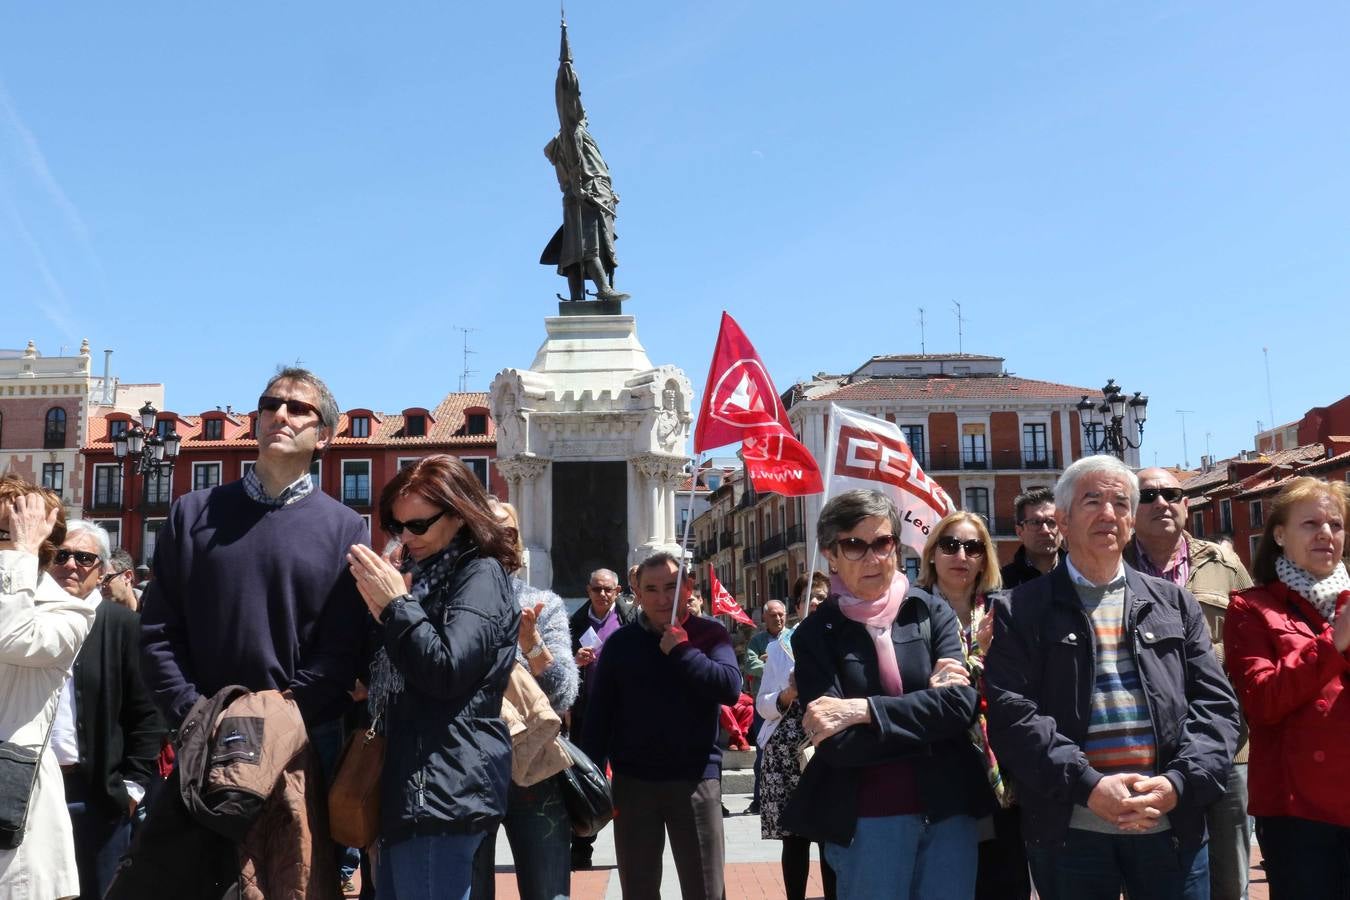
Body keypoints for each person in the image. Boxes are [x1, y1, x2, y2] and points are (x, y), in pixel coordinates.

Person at [984, 454, 1240, 900]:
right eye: (1092, 501)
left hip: (1170, 824)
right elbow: (1012, 718)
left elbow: (1217, 708)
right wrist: (1090, 786)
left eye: (1121, 503)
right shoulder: (1018, 610)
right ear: (1062, 519)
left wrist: (1177, 784)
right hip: (1070, 832)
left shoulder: (1175, 603)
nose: (1109, 514)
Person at [783, 489, 993, 899]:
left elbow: (960, 706)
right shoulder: (815, 636)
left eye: (882, 543)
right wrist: (925, 722)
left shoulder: (930, 610)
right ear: (831, 554)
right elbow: (837, 744)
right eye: (854, 545)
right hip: (866, 822)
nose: (872, 557)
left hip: (949, 811)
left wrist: (864, 711)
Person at [140, 367, 369, 729]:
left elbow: (341, 648)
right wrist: (195, 713)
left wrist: (286, 717)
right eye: (270, 405)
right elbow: (159, 631)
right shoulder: (192, 513)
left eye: (297, 408)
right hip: (202, 733)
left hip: (302, 739)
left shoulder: (346, 529)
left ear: (323, 435)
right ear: (257, 422)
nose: (280, 414)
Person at [347, 455, 520, 900]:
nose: (405, 536)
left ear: (459, 514)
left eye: (418, 525)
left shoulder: (480, 573)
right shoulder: (422, 577)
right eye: (396, 525)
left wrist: (395, 607)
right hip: (411, 784)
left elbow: (447, 670)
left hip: (442, 787)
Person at [1125, 466, 1255, 900]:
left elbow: (1254, 643)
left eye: (1172, 494)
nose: (1162, 502)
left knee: (1229, 872)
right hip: (1147, 751)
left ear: (1186, 504)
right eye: (1149, 495)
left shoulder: (1224, 565)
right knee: (1157, 874)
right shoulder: (1113, 568)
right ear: (1130, 507)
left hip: (1227, 747)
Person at [581, 553, 741, 900]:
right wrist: (588, 781)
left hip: (696, 781)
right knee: (638, 890)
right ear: (637, 593)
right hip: (633, 785)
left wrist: (684, 652)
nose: (662, 597)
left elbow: (729, 688)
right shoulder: (621, 644)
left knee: (706, 890)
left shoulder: (711, 634)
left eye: (671, 586)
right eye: (651, 589)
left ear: (689, 587)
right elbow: (599, 717)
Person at [1225, 477, 1350, 899]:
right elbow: (1261, 702)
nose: (1326, 534)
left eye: (1335, 524)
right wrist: (1333, 641)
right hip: (1298, 814)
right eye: (1311, 523)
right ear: (1279, 534)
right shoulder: (1251, 607)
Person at [911, 510, 1027, 900]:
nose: (961, 555)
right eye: (950, 545)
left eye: (973, 547)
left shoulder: (1006, 610)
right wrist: (975, 657)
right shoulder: (910, 612)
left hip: (1001, 768)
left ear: (985, 558)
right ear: (931, 554)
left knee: (1004, 877)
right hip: (937, 766)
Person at [48, 521, 163, 900]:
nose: (71, 565)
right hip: (37, 790)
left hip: (100, 793)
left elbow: (147, 713)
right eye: (61, 555)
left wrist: (132, 787)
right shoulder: (32, 623)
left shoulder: (126, 626)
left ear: (101, 571)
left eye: (84, 557)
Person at [471, 500, 579, 900]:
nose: (500, 541)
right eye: (486, 530)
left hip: (534, 768)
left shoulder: (543, 604)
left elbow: (564, 693)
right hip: (468, 768)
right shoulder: (447, 602)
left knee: (548, 892)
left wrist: (532, 647)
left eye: (509, 533)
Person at [0, 475, 95, 899]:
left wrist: (19, 553)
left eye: (6, 531)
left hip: (13, 804)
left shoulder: (67, 611)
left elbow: (12, 634)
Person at [756, 580, 836, 900]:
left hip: (829, 745)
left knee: (831, 835)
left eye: (821, 596)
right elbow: (763, 704)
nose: (814, 602)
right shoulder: (780, 648)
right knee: (795, 837)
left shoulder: (844, 641)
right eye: (808, 597)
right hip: (787, 751)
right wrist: (787, 693)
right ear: (798, 604)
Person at [539, 21, 630, 303]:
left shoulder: (581, 134)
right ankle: (602, 289)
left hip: (591, 195)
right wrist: (567, 63)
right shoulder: (572, 131)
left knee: (576, 249)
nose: (584, 111)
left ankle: (578, 297)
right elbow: (567, 94)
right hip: (585, 195)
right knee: (587, 245)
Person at [566, 565, 634, 870]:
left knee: (629, 783)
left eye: (609, 589)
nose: (603, 594)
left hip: (625, 715)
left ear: (618, 591)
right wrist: (574, 662)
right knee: (586, 782)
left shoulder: (630, 621)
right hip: (588, 715)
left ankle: (632, 845)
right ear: (588, 591)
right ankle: (581, 846)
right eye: (597, 589)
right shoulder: (573, 623)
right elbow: (557, 668)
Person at [742, 598, 788, 814]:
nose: (778, 618)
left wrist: (770, 662)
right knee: (762, 754)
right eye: (773, 615)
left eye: (781, 614)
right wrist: (778, 664)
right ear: (764, 618)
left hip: (790, 705)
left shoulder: (794, 638)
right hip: (765, 707)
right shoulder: (757, 641)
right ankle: (760, 800)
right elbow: (751, 665)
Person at [1000, 487, 1064, 589]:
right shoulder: (1002, 583)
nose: (1045, 530)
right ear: (1019, 532)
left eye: (1052, 522)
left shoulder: (1080, 576)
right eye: (1035, 523)